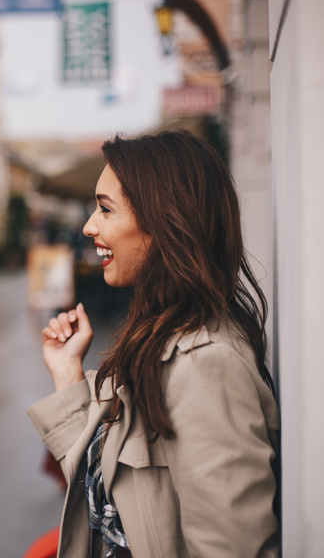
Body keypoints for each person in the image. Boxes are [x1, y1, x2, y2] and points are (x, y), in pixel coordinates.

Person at [28, 130, 279, 558]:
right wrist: (68, 372)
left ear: (165, 220)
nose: (89, 226)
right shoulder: (160, 339)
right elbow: (106, 493)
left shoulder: (203, 365)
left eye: (106, 209)